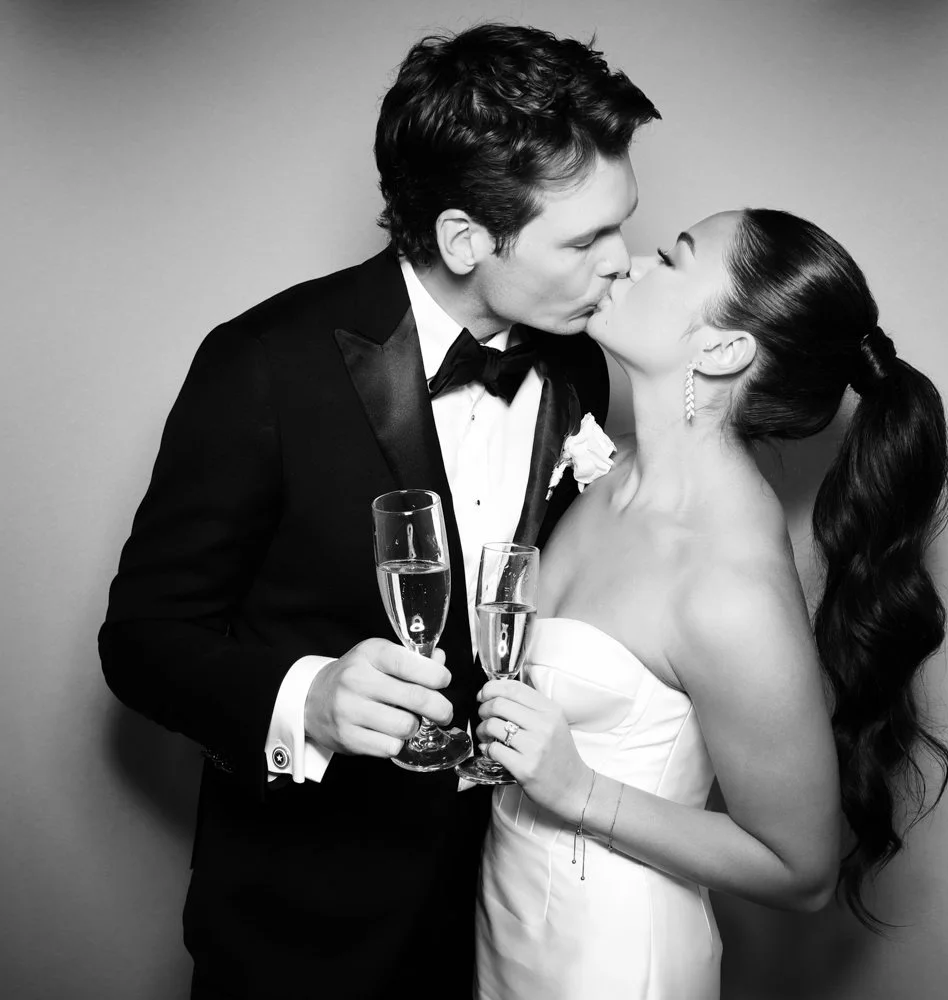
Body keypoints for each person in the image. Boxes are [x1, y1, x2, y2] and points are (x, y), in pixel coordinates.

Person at [98, 23, 659, 999]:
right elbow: (142, 640)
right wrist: (307, 697)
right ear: (461, 237)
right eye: (585, 238)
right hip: (300, 929)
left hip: (503, 907)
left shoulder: (574, 364)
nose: (621, 263)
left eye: (625, 223)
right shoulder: (260, 366)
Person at [474, 208, 948, 999]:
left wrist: (580, 790)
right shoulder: (611, 471)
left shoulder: (729, 583)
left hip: (612, 956)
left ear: (724, 350)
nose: (628, 264)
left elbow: (801, 871)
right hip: (510, 915)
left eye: (670, 258)